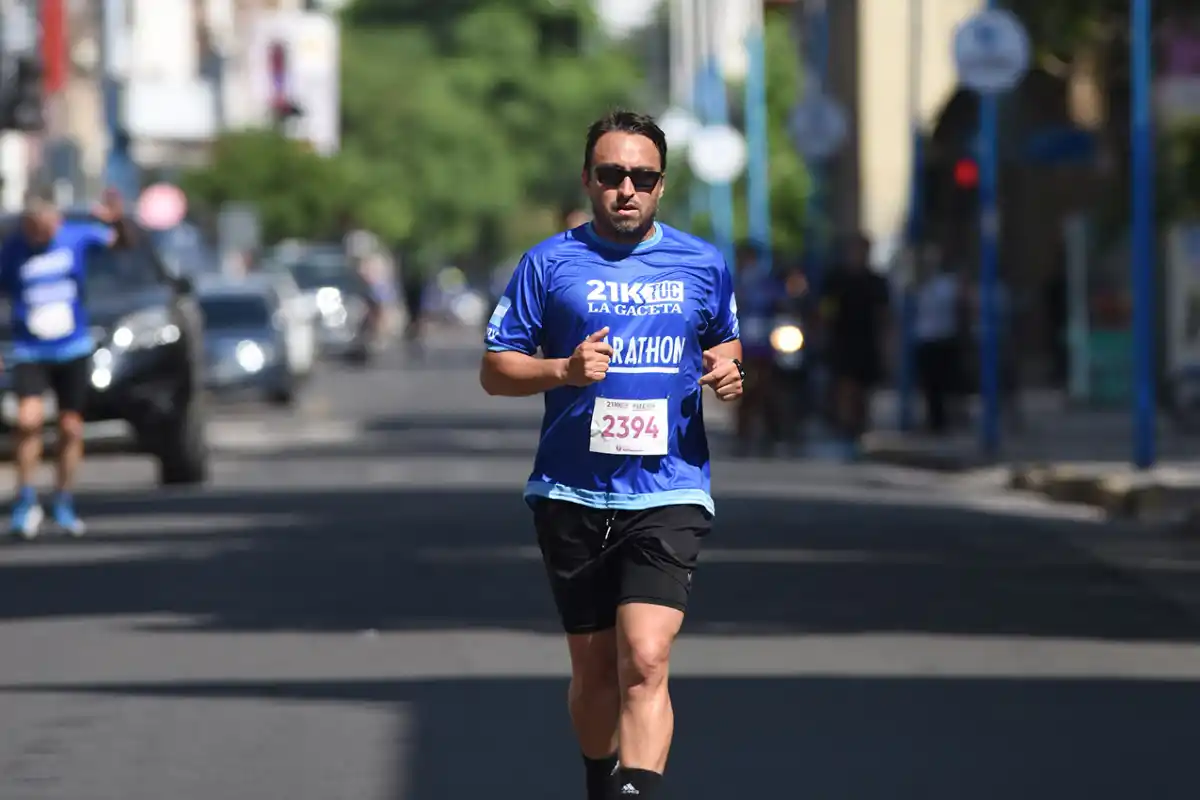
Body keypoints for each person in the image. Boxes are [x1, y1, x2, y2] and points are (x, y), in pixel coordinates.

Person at [480, 109, 743, 800]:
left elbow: (725, 341)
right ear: (589, 180)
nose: (627, 189)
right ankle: (600, 779)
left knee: (646, 660)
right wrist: (562, 372)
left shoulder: (701, 263)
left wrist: (729, 370)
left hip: (669, 486)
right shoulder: (549, 264)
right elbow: (495, 368)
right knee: (595, 675)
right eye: (612, 175)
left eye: (643, 177)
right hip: (571, 491)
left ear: (662, 185)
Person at [0, 186, 134, 538]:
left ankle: (63, 498)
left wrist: (117, 219)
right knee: (27, 422)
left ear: (55, 220)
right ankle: (26, 499)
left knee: (71, 427)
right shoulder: (13, 251)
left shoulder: (76, 236)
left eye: (43, 228)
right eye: (31, 229)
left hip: (72, 347)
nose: (38, 236)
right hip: (30, 349)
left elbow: (121, 244)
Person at [821, 233, 889, 448]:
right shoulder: (837, 279)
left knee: (863, 389)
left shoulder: (875, 281)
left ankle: (859, 427)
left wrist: (887, 341)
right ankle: (846, 429)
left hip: (867, 339)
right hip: (842, 339)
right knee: (845, 386)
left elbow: (883, 313)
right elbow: (825, 309)